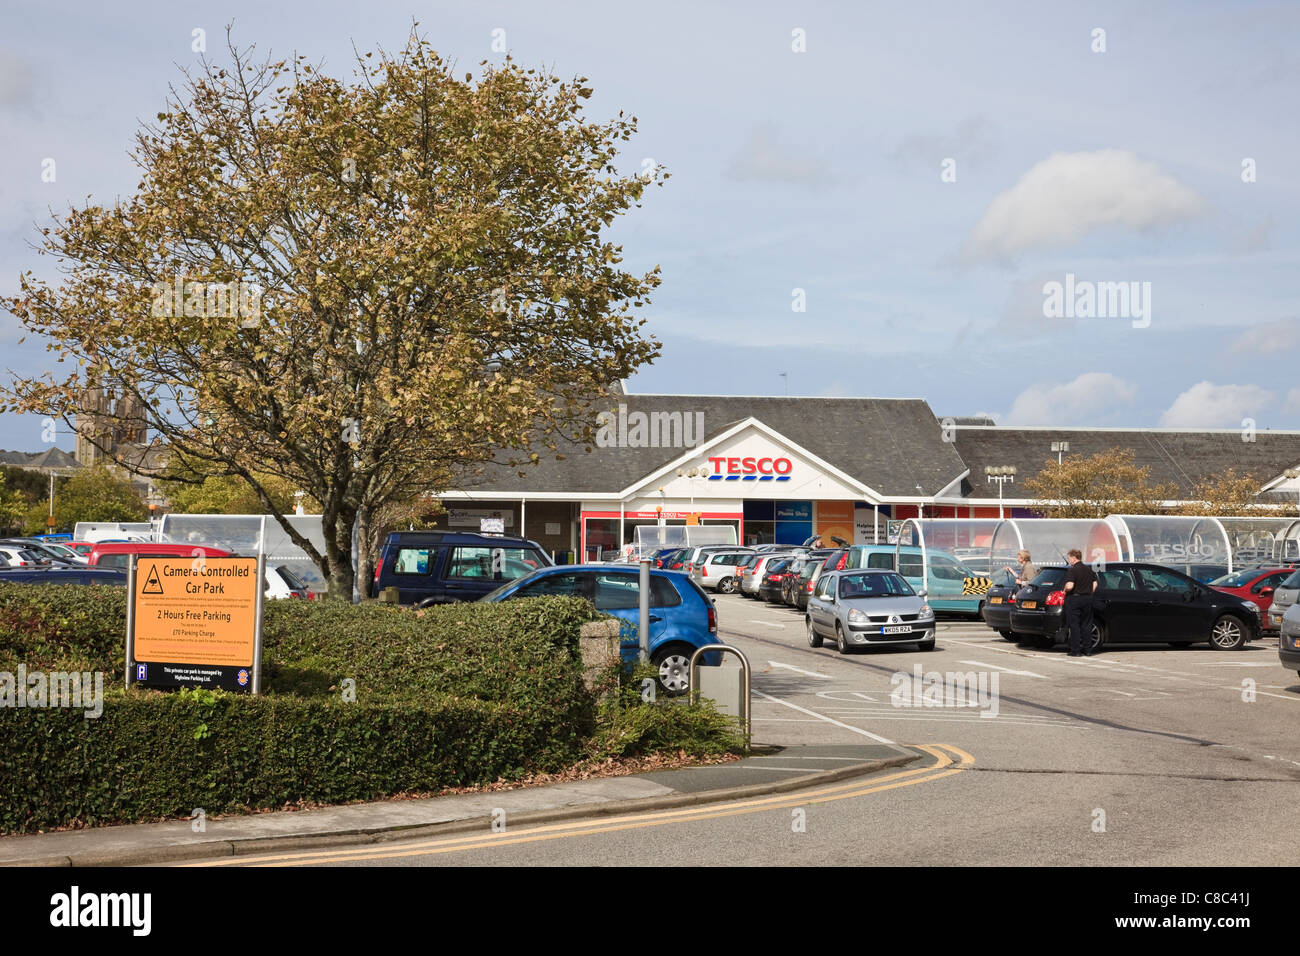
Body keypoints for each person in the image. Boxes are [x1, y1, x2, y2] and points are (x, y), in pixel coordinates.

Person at [1062, 548, 1099, 656]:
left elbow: (1070, 586)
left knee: (1075, 626)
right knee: (1086, 625)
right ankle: (1088, 650)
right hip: (1087, 599)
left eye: (1069, 558)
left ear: (1074, 558)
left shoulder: (1072, 570)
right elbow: (1095, 584)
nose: (1069, 561)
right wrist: (1088, 593)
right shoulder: (1088, 569)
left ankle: (1076, 651)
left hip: (1074, 599)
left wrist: (1064, 590)